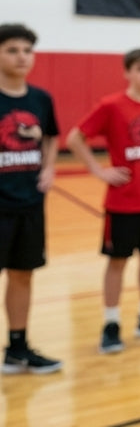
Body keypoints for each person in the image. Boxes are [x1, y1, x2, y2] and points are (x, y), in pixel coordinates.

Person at [65, 48, 140, 355]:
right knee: (117, 262)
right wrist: (98, 170)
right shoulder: (112, 106)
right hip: (123, 203)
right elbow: (75, 138)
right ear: (128, 72)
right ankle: (111, 322)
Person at [0, 23, 62, 375]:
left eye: (27, 50)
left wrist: (49, 168)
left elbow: (52, 136)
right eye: (12, 50)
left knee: (23, 275)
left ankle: (17, 348)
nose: (22, 56)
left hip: (29, 204)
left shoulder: (40, 99)